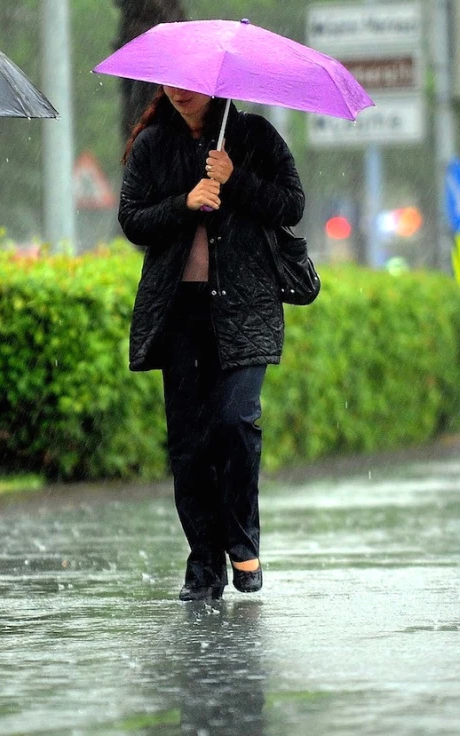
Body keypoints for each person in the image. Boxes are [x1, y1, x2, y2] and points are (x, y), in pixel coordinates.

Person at [118, 86, 304, 602]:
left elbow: (292, 205)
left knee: (235, 420)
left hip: (246, 307)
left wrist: (234, 179)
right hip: (178, 311)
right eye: (170, 83)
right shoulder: (153, 145)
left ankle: (243, 542)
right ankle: (204, 560)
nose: (179, 92)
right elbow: (131, 219)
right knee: (188, 443)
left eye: (191, 84)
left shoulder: (253, 136)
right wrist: (185, 202)